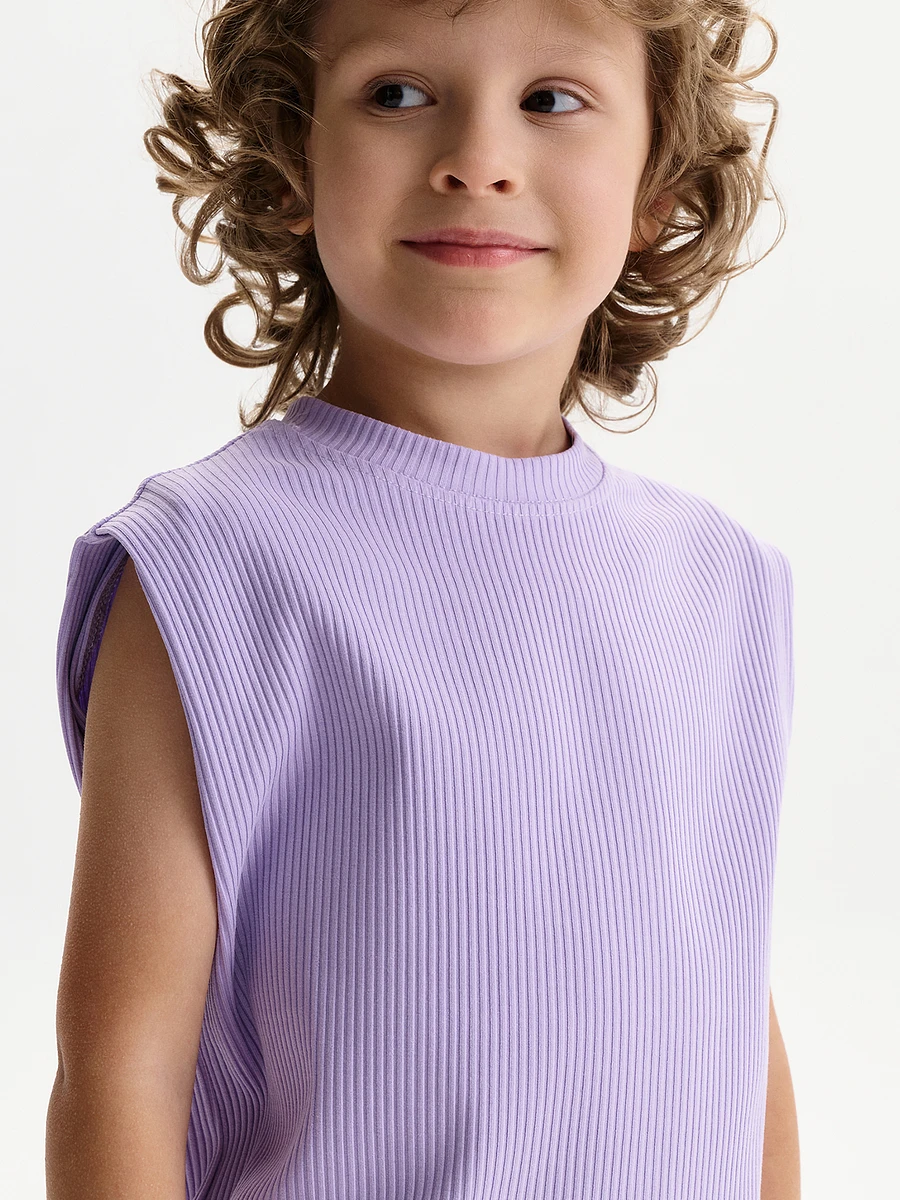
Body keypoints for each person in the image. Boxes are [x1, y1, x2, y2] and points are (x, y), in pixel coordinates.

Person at [46, 0, 801, 1197]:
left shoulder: (720, 581)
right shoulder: (211, 567)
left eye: (551, 99)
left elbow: (726, 1030)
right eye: (398, 95)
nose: (477, 159)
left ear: (658, 188)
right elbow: (123, 1072)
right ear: (292, 160)